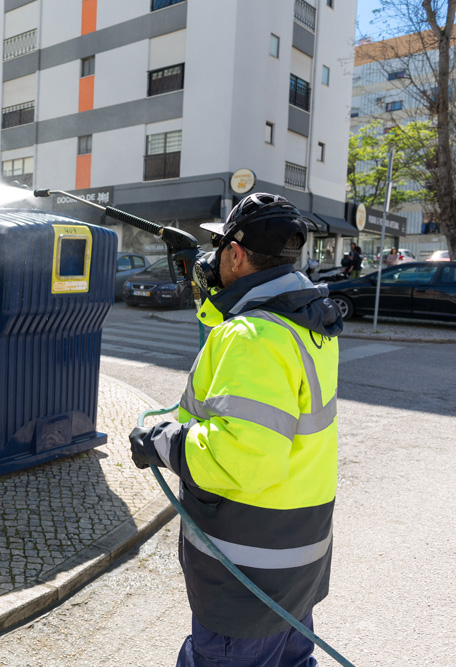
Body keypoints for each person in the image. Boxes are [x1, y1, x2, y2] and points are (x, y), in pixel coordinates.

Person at [128, 193, 343, 667]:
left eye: (220, 247)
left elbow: (241, 457)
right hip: (296, 559)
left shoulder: (253, 337)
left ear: (237, 254)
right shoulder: (305, 322)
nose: (212, 256)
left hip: (248, 567)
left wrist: (159, 442)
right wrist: (212, 289)